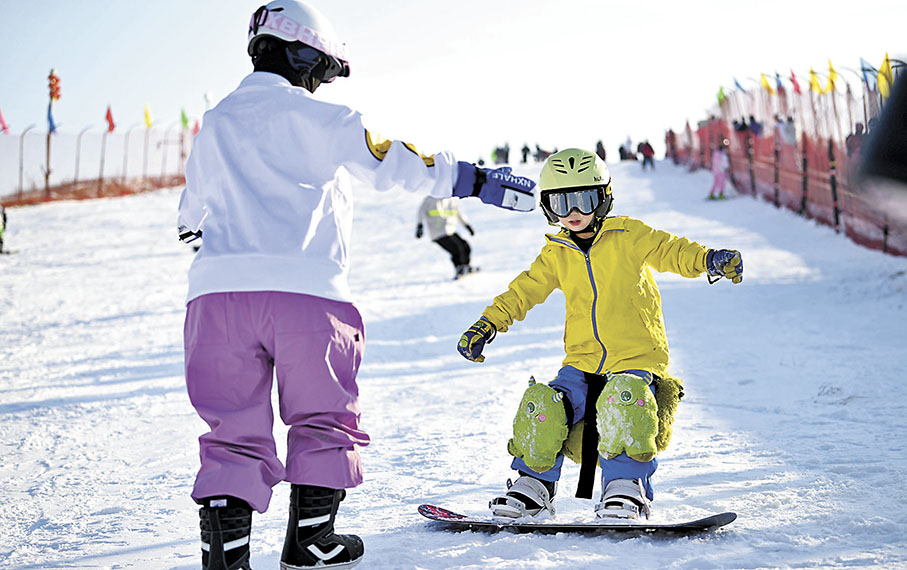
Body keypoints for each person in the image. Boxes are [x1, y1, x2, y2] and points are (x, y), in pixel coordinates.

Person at [176, 2, 537, 569]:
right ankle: (312, 542)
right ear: (303, 55)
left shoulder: (216, 122)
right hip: (307, 296)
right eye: (321, 69)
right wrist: (476, 179)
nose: (321, 82)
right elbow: (393, 160)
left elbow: (190, 213)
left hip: (217, 299)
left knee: (231, 427)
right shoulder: (324, 120)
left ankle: (226, 559)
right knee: (321, 416)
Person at [456, 148, 743, 522]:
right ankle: (533, 486)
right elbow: (522, 292)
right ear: (547, 206)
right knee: (542, 404)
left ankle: (625, 488)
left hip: (636, 360)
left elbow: (671, 250)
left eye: (584, 199)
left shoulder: (629, 235)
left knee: (626, 400)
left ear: (603, 197)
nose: (572, 211)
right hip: (582, 362)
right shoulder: (556, 252)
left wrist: (708, 259)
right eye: (561, 202)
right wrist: (489, 322)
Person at [416, 195, 476, 279]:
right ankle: (459, 268)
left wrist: (467, 226)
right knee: (457, 248)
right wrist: (419, 226)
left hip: (450, 230)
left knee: (465, 246)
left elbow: (458, 213)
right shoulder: (430, 200)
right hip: (438, 232)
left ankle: (466, 266)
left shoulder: (450, 200)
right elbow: (421, 212)